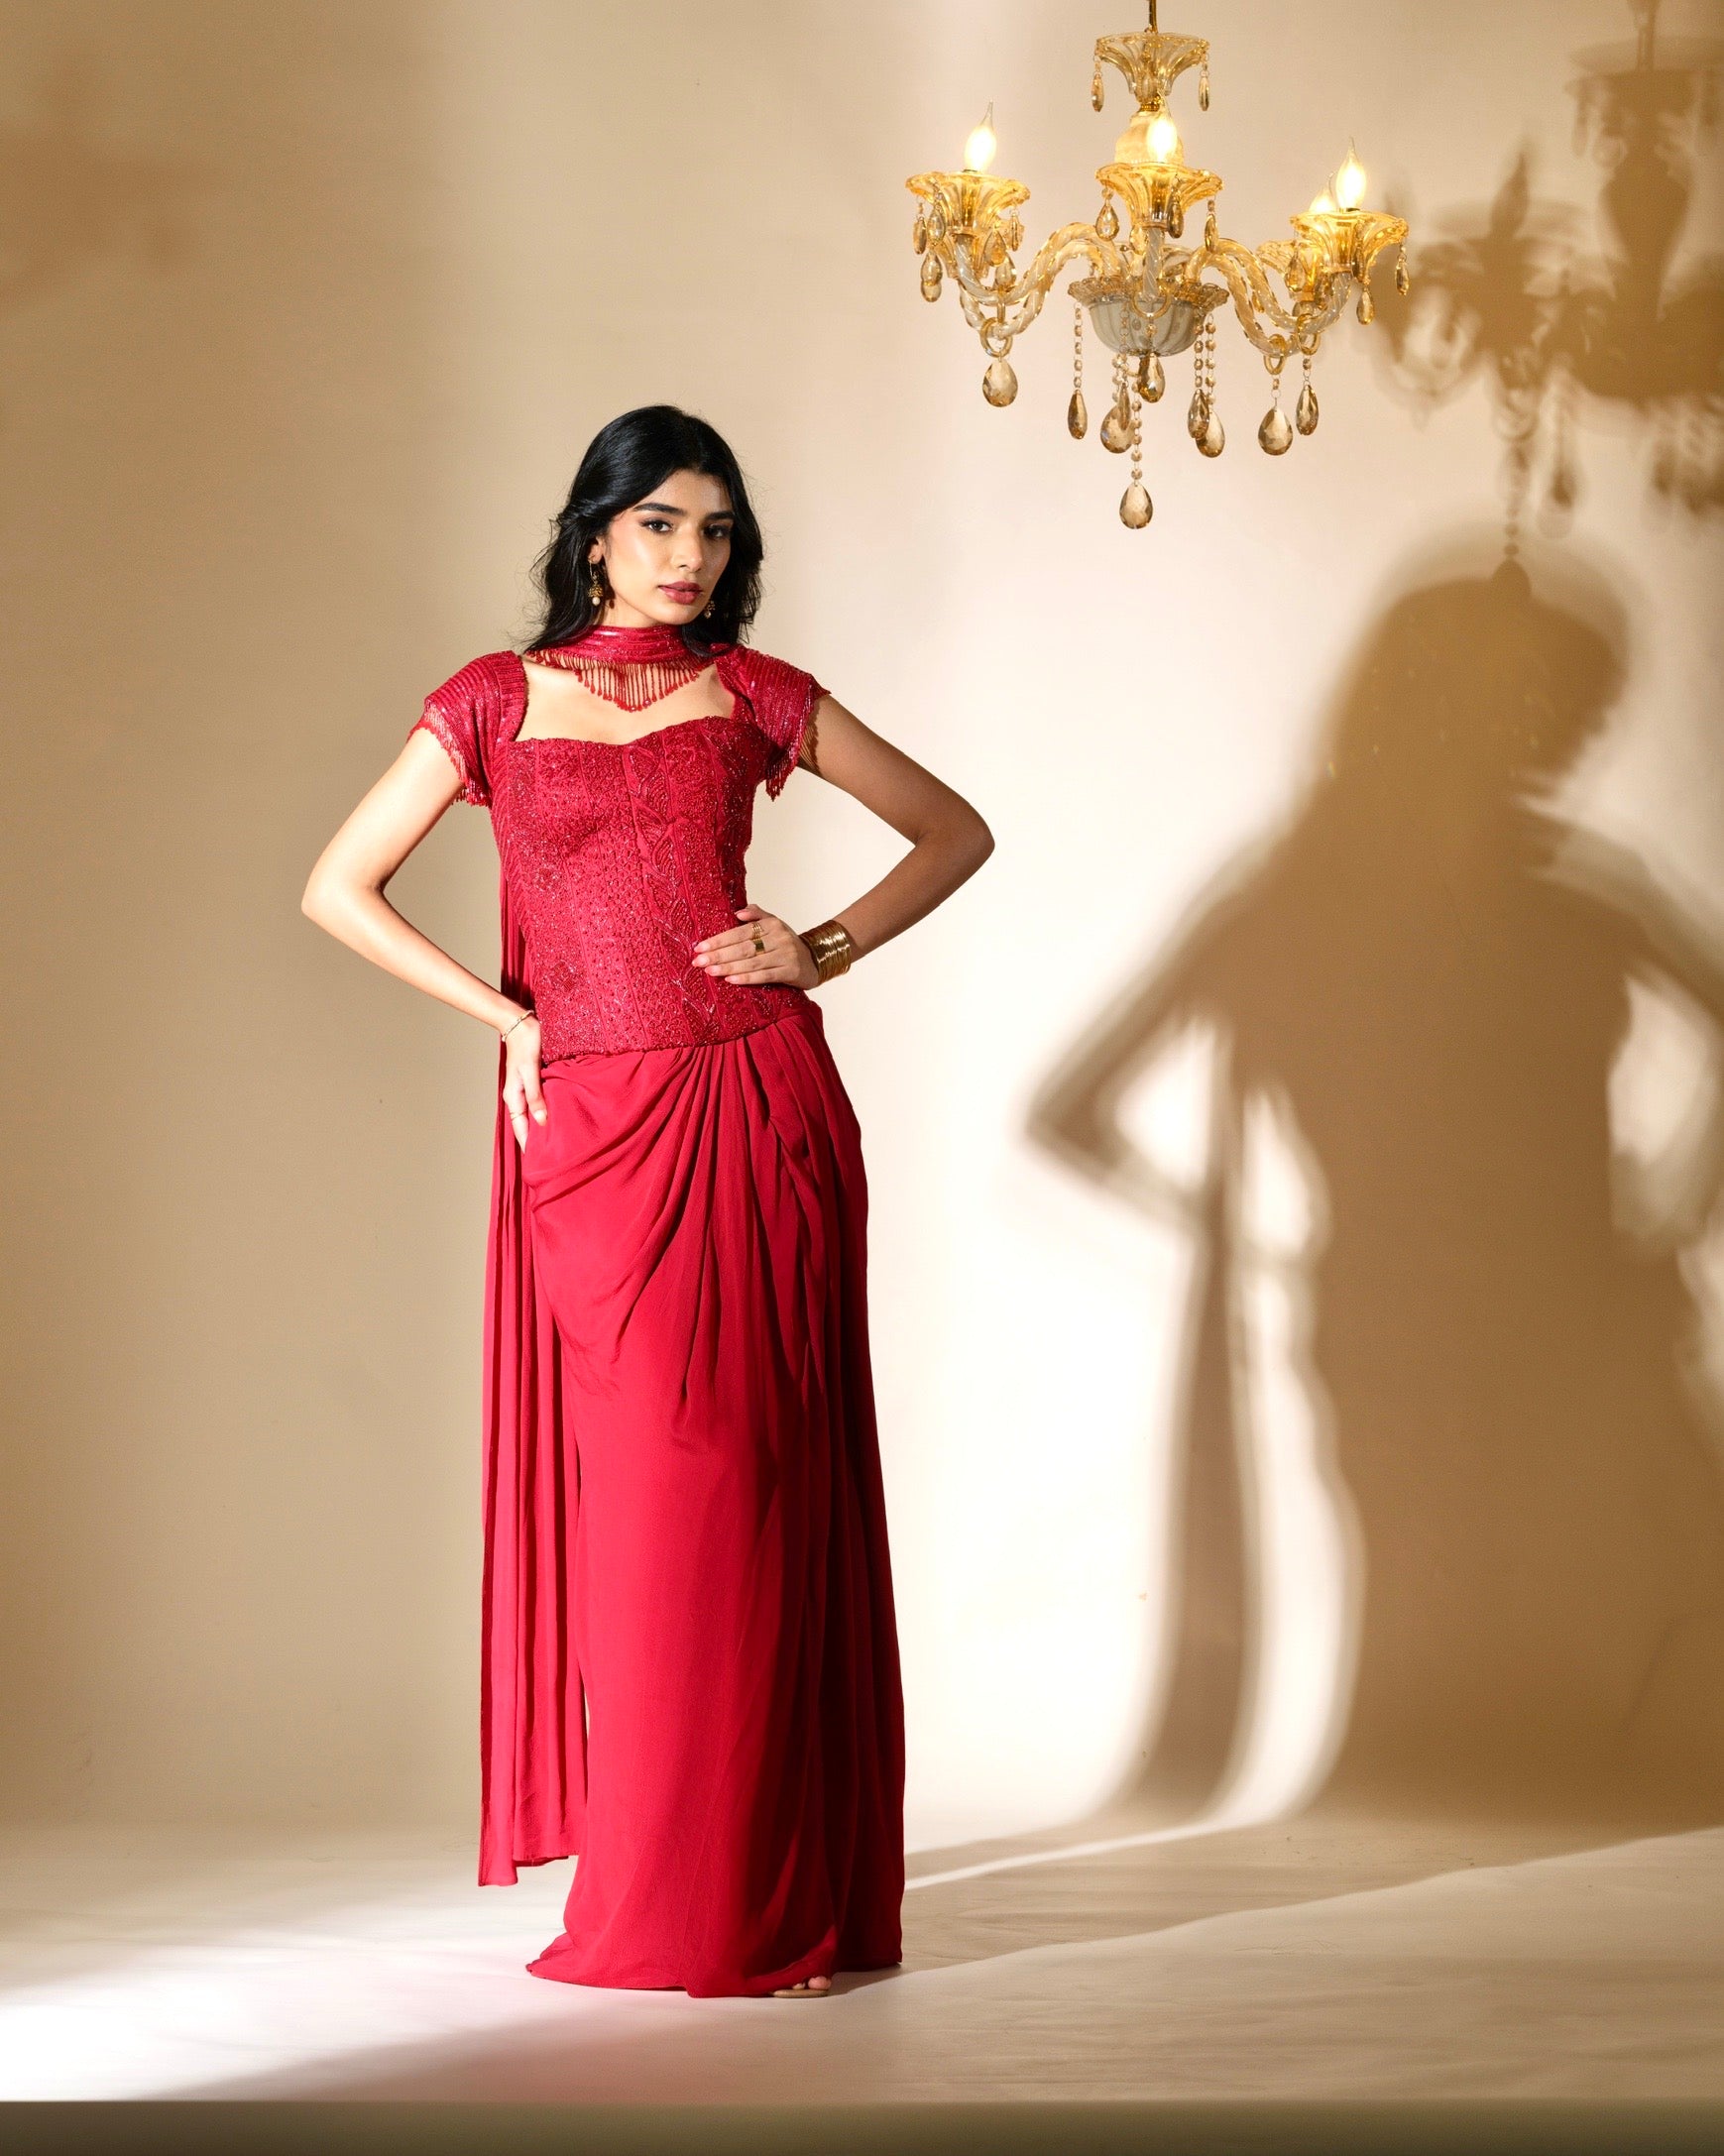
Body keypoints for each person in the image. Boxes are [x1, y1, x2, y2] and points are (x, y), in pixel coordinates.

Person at [300, 404, 994, 1998]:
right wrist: (511, 1018)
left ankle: (771, 1897)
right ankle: (677, 1881)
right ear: (596, 531)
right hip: (597, 1132)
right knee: (654, 1510)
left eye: (720, 532)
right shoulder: (489, 700)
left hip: (758, 1106)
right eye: (664, 524)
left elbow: (955, 831)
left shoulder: (755, 696)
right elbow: (340, 887)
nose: (693, 558)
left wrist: (818, 947)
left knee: (754, 1492)